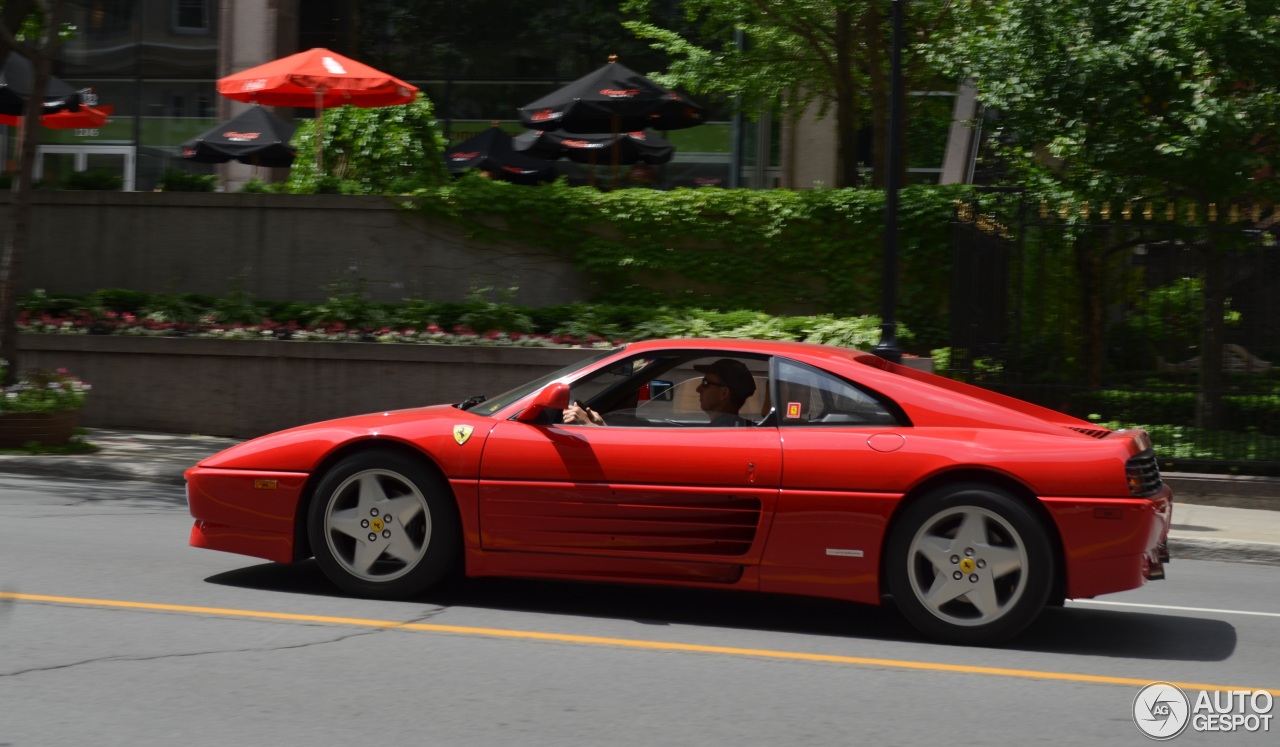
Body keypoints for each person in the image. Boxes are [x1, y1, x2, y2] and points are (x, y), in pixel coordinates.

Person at [563, 358, 757, 427]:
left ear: (724, 393)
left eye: (706, 383)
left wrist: (590, 427)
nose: (698, 389)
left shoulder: (720, 435)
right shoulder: (730, 427)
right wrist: (601, 425)